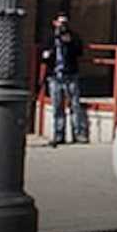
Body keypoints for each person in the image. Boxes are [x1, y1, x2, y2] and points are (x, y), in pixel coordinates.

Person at [41, 12, 87, 147]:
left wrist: (70, 43)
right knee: (57, 107)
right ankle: (58, 134)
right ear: (55, 23)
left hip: (70, 75)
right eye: (61, 23)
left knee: (74, 105)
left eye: (65, 23)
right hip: (55, 77)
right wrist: (48, 54)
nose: (63, 26)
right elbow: (43, 56)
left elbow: (79, 51)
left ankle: (78, 133)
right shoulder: (50, 38)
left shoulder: (72, 37)